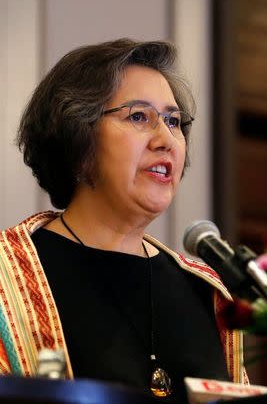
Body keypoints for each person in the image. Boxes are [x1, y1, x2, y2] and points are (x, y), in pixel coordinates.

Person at [0, 39, 247, 403]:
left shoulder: (206, 291)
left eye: (174, 121)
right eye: (138, 116)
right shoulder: (8, 275)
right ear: (77, 140)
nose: (166, 139)